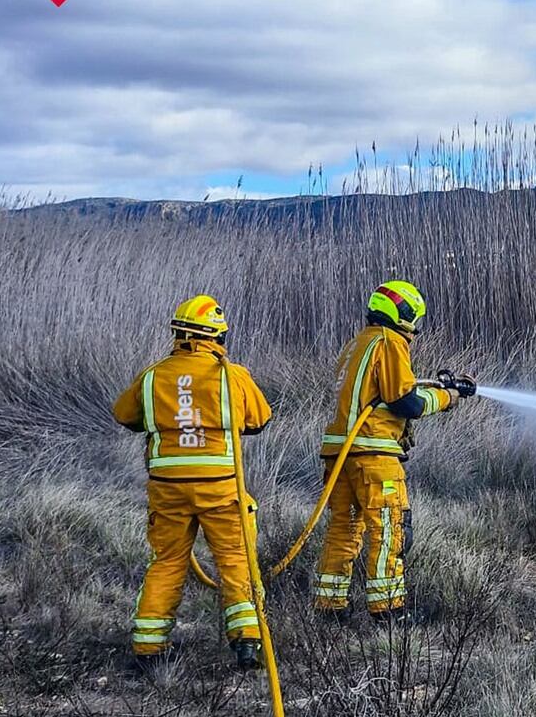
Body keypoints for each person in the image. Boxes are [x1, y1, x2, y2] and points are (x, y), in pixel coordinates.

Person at [112, 295, 273, 671]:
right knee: (235, 559)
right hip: (220, 487)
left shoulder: (152, 376)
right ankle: (247, 642)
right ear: (217, 336)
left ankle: (148, 647)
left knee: (167, 561)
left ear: (178, 334)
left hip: (167, 489)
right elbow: (260, 419)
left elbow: (124, 415)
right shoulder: (232, 375)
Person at [313, 280, 475, 619]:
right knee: (390, 530)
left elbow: (378, 395)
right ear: (403, 314)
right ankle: (388, 611)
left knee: (343, 530)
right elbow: (405, 402)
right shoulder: (390, 341)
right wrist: (447, 397)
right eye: (415, 318)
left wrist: (435, 386)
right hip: (374, 456)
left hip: (340, 456)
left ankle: (329, 609)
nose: (416, 327)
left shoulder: (358, 344)